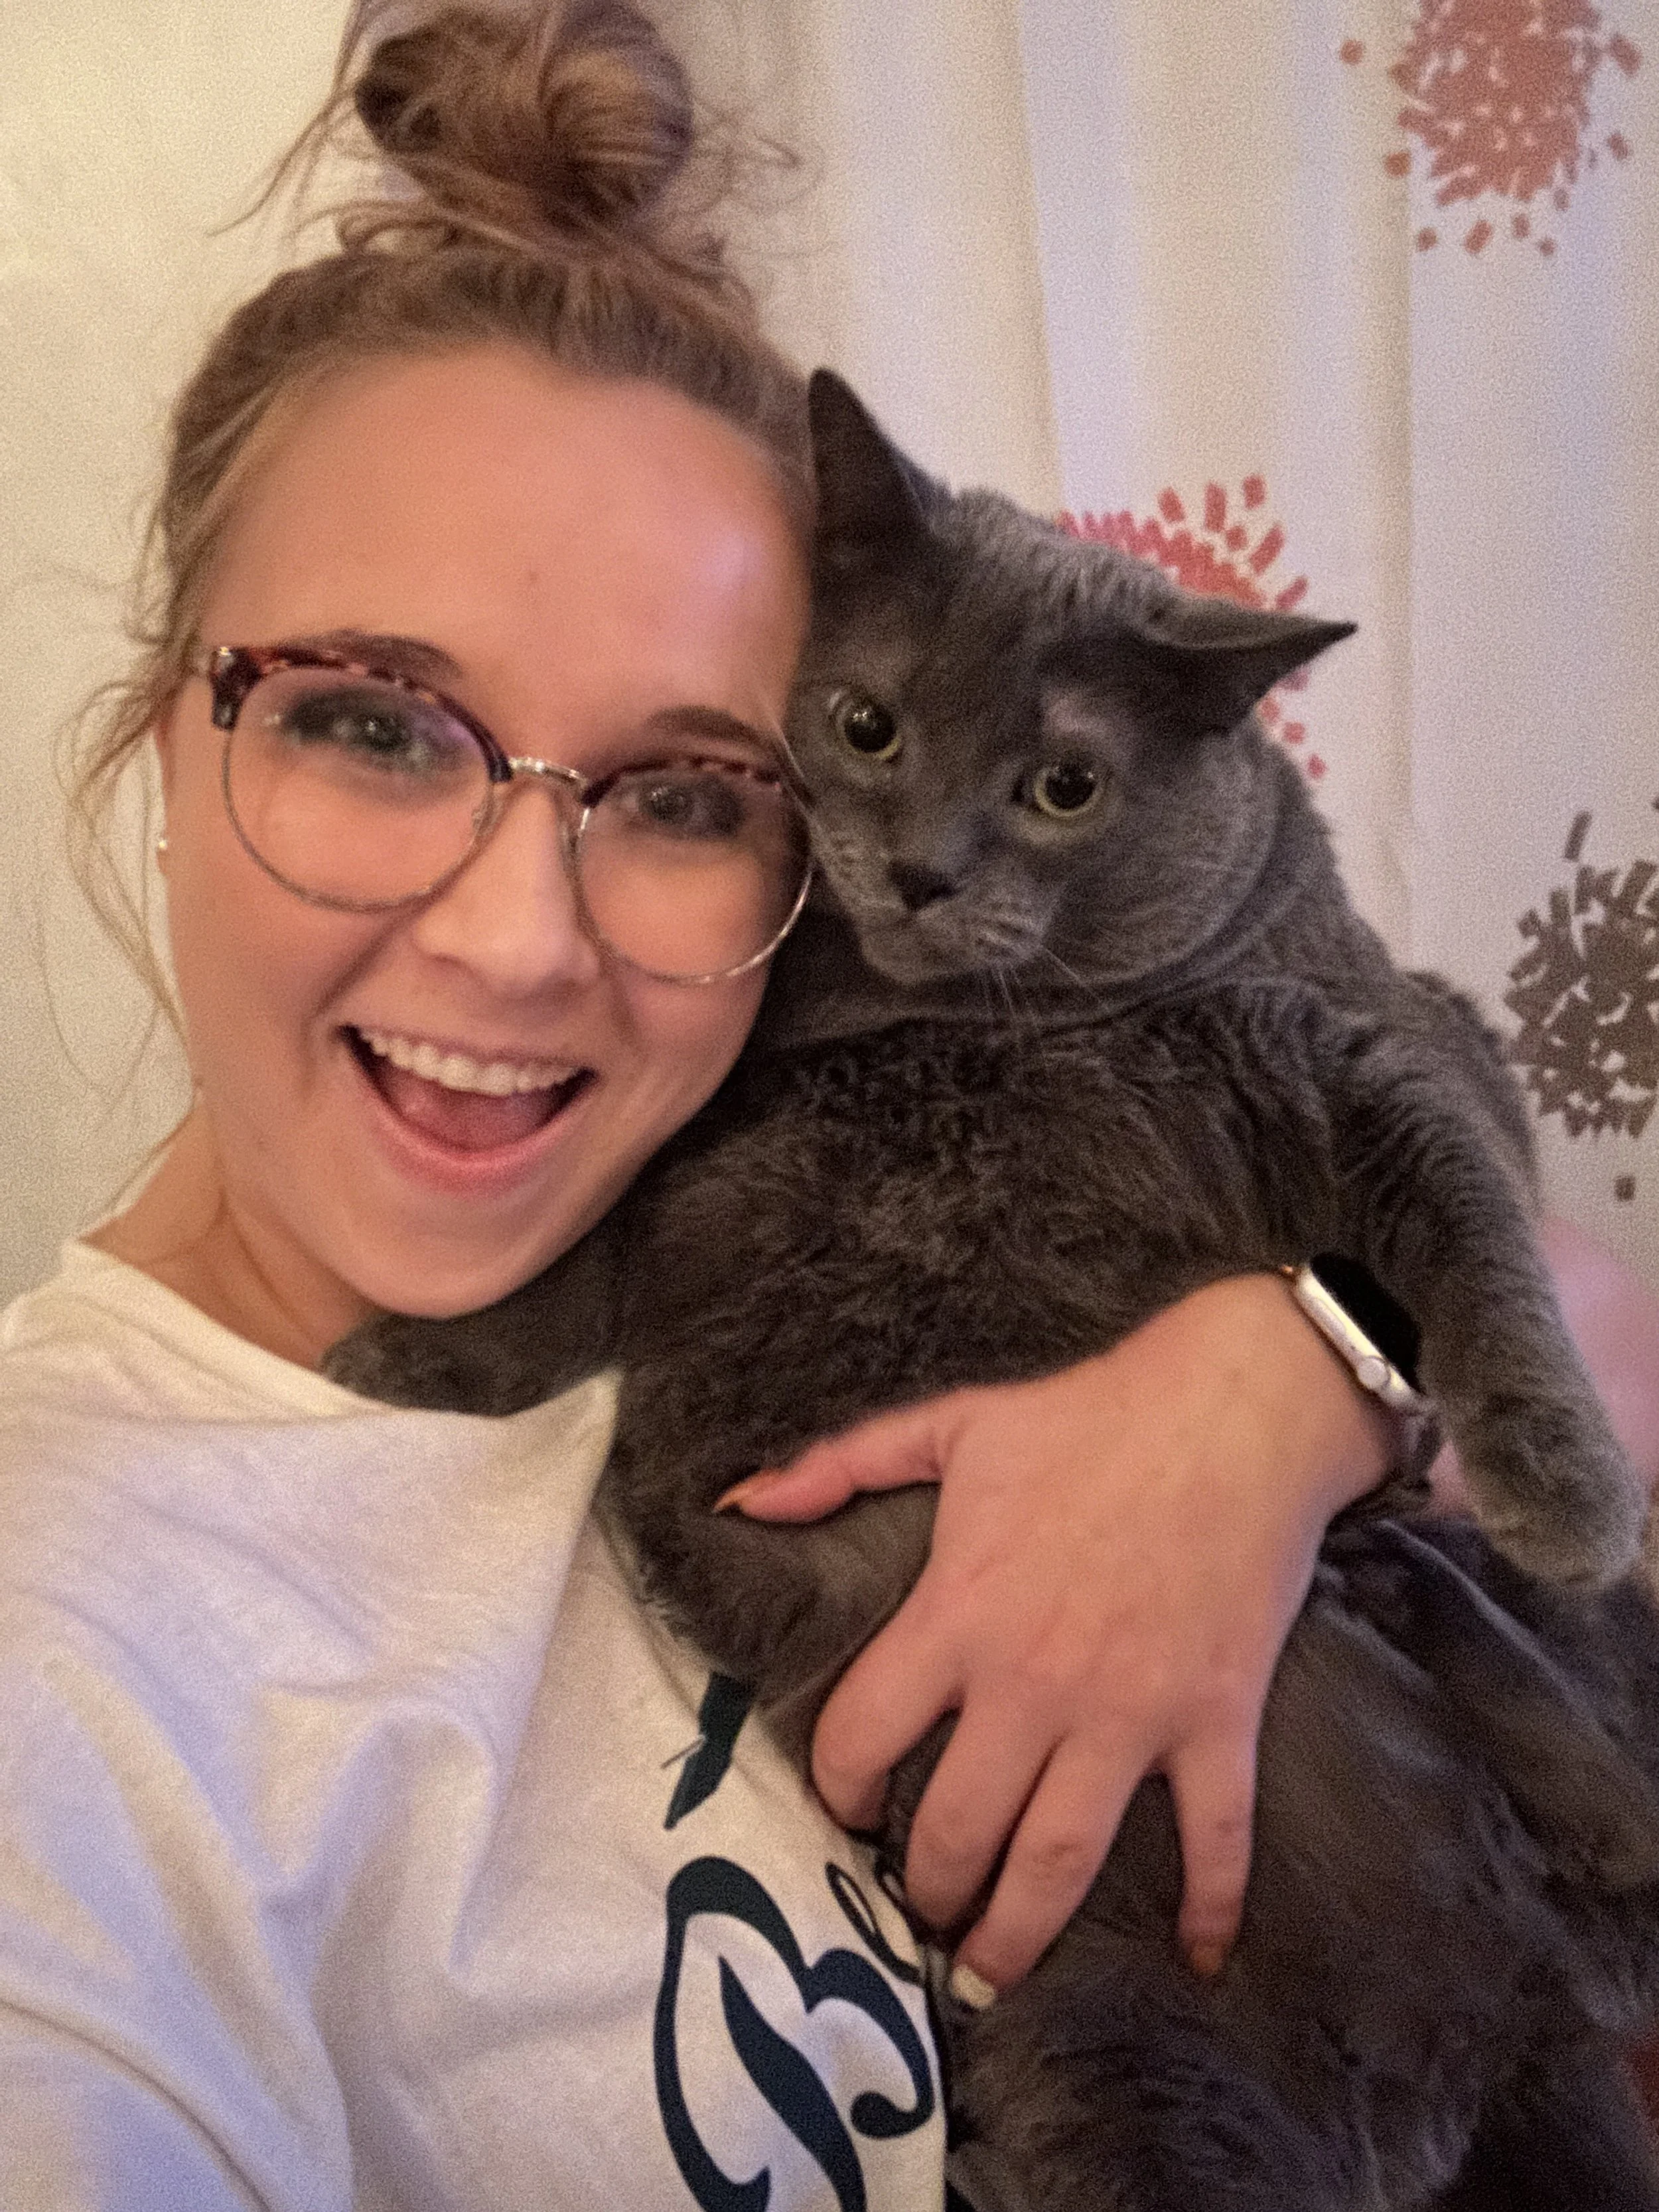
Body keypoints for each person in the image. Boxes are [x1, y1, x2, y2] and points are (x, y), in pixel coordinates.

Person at [4, 5, 1656, 2205]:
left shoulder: (802, 1093)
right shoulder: (78, 1656)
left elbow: (1513, 1223)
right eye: (374, 727)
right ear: (165, 727)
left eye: (687, 790)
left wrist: (1303, 1373)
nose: (519, 940)